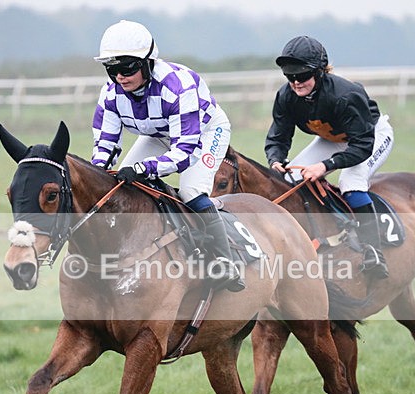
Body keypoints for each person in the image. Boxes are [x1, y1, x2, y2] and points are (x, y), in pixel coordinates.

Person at [91, 20, 244, 292]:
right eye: (112, 69)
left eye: (127, 68)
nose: (120, 77)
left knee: (191, 190)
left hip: (204, 131)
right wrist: (98, 174)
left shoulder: (177, 86)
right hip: (157, 134)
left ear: (148, 63)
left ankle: (225, 259)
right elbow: (105, 145)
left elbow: (182, 154)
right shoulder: (110, 94)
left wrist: (144, 168)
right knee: (118, 188)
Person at [264, 36, 393, 279]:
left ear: (320, 72)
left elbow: (362, 146)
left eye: (302, 76)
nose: (295, 82)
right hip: (332, 139)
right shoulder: (286, 96)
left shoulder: (346, 95)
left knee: (351, 184)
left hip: (370, 137)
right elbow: (278, 136)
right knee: (290, 177)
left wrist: (325, 166)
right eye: (290, 76)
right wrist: (275, 159)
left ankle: (373, 250)